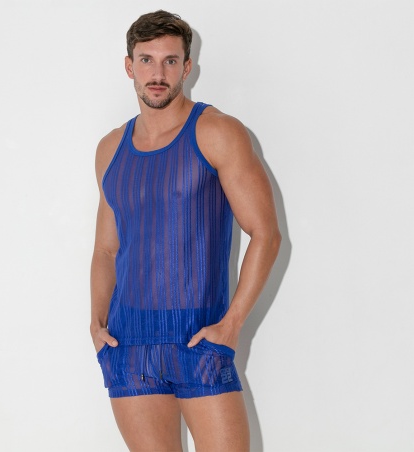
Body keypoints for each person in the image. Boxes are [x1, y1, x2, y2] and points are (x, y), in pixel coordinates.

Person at [90, 10, 281, 451]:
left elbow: (266, 234)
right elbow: (105, 249)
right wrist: (96, 324)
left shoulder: (217, 132)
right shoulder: (110, 148)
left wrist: (232, 325)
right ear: (129, 66)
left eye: (170, 61)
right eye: (146, 60)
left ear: (187, 67)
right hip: (128, 346)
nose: (158, 73)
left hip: (200, 341)